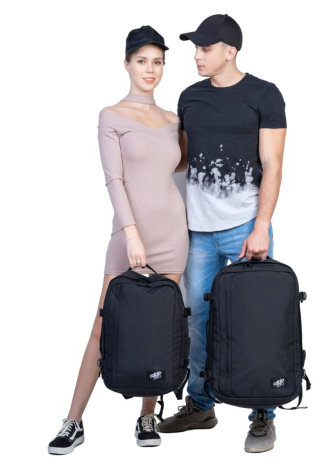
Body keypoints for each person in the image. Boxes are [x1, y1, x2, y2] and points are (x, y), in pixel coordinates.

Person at [47, 25, 189, 454]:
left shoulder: (174, 120)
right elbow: (115, 180)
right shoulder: (111, 115)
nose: (150, 69)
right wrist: (131, 234)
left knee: (158, 329)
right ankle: (73, 421)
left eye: (157, 62)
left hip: (173, 235)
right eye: (142, 61)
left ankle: (147, 415)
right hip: (130, 237)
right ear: (127, 64)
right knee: (103, 325)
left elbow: (180, 168)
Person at [156, 14, 287, 453]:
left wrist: (262, 226)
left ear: (230, 51)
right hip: (196, 231)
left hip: (246, 227)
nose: (196, 55)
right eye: (195, 48)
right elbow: (182, 159)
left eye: (205, 48)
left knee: (256, 321)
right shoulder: (190, 97)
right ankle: (201, 405)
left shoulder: (264, 95)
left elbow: (273, 164)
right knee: (198, 322)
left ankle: (263, 413)